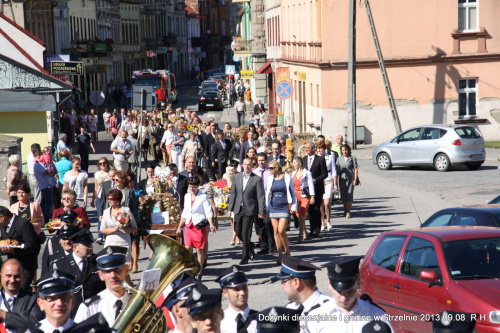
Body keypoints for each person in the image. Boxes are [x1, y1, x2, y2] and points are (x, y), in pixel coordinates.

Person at [325, 257, 393, 332]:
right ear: (329, 284)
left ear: (358, 283)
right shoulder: (318, 316)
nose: (344, 297)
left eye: (349, 291)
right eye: (339, 292)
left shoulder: (377, 315)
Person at [48, 229, 106, 317]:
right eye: (86, 245)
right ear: (75, 247)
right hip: (71, 313)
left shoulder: (97, 262)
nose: (90, 247)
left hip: (95, 311)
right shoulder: (60, 264)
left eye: (90, 244)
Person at [74, 246, 131, 326]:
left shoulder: (139, 303)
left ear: (127, 270)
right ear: (100, 275)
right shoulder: (90, 307)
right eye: (107, 271)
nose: (113, 275)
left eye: (117, 269)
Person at [276, 256, 334, 333]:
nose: (282, 286)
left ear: (296, 282)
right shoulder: (290, 307)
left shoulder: (329, 310)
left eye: (283, 282)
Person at [227, 158, 266, 265]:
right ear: (242, 165)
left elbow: (260, 196)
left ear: (252, 166)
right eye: (245, 164)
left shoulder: (257, 179)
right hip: (238, 208)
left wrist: (261, 211)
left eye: (249, 165)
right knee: (237, 231)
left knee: (246, 232)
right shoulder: (237, 177)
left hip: (250, 209)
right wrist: (229, 208)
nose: (247, 166)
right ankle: (250, 246)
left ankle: (245, 256)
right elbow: (233, 194)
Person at [176, 177, 215, 277]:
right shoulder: (187, 196)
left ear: (198, 187)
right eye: (190, 187)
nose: (191, 189)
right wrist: (179, 226)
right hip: (188, 225)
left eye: (193, 187)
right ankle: (191, 268)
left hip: (199, 226)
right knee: (188, 247)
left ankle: (199, 271)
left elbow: (208, 211)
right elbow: (185, 212)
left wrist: (211, 224)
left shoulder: (203, 197)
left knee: (199, 249)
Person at [265, 161, 297, 265]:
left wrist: (293, 205)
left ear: (277, 168)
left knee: (281, 230)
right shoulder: (270, 179)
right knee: (275, 231)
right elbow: (267, 194)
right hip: (273, 206)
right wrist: (266, 207)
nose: (269, 170)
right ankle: (280, 255)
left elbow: (293, 192)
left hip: (284, 206)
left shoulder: (287, 177)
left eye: (271, 168)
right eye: (269, 168)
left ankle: (287, 251)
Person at [0, 259, 45, 331]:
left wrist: (5, 315)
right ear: (1, 277)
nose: (12, 280)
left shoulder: (34, 299)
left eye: (16, 276)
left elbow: (36, 324)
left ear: (23, 277)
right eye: (8, 276)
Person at [216, 265, 257, 333]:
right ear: (225, 293)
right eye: (236, 289)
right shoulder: (219, 323)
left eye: (244, 287)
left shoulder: (260, 321)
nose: (242, 293)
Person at [100, 189, 138, 262]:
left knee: (123, 266)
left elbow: (134, 228)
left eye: (112, 199)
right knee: (111, 264)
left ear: (118, 200)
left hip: (123, 241)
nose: (109, 200)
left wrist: (124, 228)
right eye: (108, 199)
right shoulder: (106, 212)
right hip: (110, 242)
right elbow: (102, 230)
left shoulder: (126, 210)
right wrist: (113, 230)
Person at [302, 142, 328, 238]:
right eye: (306, 148)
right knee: (309, 209)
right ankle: (312, 228)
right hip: (306, 189)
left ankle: (316, 229)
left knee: (316, 208)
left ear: (313, 149)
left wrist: (315, 180)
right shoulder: (304, 159)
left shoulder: (320, 159)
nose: (306, 149)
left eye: (308, 148)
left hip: (317, 188)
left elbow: (325, 174)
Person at [253, 153, 275, 255]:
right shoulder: (254, 172)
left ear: (266, 160)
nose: (261, 162)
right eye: (259, 160)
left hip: (268, 201)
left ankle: (272, 245)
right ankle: (264, 246)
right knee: (259, 225)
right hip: (257, 202)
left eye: (263, 160)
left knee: (268, 224)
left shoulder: (270, 172)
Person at [291, 157, 315, 243]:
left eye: (294, 163)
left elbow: (310, 184)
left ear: (299, 163)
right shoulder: (293, 173)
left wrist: (312, 196)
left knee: (301, 215)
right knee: (298, 216)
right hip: (295, 197)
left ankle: (300, 235)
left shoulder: (307, 173)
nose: (293, 165)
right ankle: (304, 232)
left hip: (304, 196)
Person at [316, 143, 337, 231]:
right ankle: (322, 223)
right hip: (320, 181)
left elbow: (334, 170)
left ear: (325, 149)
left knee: (327, 202)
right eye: (318, 148)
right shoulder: (316, 158)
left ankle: (328, 221)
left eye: (321, 149)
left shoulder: (330, 157)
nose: (320, 150)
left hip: (328, 180)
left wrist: (335, 184)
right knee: (321, 204)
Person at [336, 144, 358, 218]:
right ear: (341, 151)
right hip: (341, 179)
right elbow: (337, 169)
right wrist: (335, 180)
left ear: (348, 150)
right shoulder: (339, 159)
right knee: (343, 196)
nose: (344, 151)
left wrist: (355, 179)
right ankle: (345, 209)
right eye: (343, 150)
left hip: (350, 179)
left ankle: (348, 211)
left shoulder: (352, 158)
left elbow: (355, 169)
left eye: (345, 150)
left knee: (349, 195)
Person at [90, 157, 112, 227]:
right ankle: (100, 236)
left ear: (107, 163)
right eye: (100, 163)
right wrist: (93, 199)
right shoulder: (97, 174)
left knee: (109, 216)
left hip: (109, 197)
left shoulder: (110, 173)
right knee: (100, 217)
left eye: (104, 163)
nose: (102, 165)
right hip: (100, 197)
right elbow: (96, 188)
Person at [33, 152, 53, 222]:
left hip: (44, 185)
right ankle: (46, 218)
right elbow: (47, 173)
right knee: (48, 202)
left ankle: (42, 217)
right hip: (45, 185)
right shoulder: (38, 165)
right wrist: (50, 172)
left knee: (44, 202)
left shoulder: (38, 164)